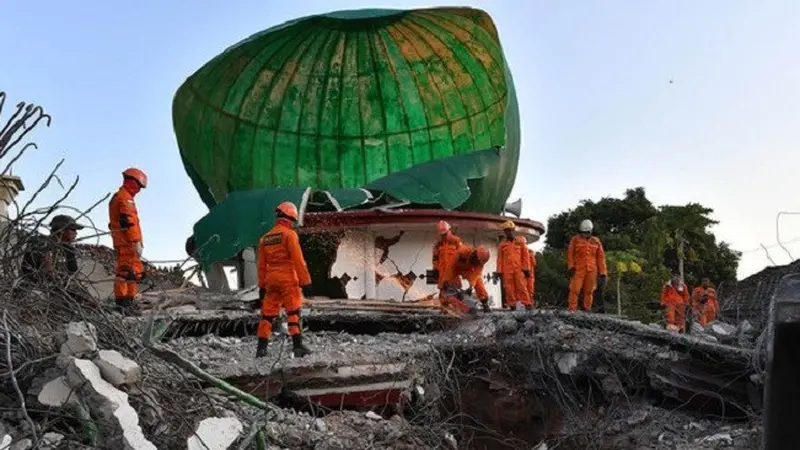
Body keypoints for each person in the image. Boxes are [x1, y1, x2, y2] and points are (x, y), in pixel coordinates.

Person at [256, 201, 313, 358]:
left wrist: (261, 286)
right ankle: (297, 346)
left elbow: (261, 265)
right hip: (288, 279)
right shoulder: (289, 235)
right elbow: (298, 260)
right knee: (293, 312)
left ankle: (261, 349)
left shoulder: (265, 239)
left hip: (271, 280)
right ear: (291, 217)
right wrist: (305, 282)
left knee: (267, 315)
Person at [108, 168, 147, 314]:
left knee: (134, 272)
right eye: (139, 186)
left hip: (124, 241)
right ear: (132, 182)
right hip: (127, 242)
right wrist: (136, 241)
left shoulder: (120, 197)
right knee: (125, 273)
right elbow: (129, 221)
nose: (139, 190)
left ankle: (129, 301)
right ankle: (122, 304)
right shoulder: (125, 198)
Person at [20, 215, 83, 286]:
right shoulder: (40, 242)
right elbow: (42, 269)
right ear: (61, 230)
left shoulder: (68, 250)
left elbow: (72, 274)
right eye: (73, 229)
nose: (76, 233)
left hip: (58, 290)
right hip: (35, 288)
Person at [566, 219, 607, 312]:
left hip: (592, 269)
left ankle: (587, 309)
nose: (584, 234)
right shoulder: (575, 240)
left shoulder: (596, 241)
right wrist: (571, 266)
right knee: (574, 289)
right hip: (578, 269)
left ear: (590, 232)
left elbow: (601, 258)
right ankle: (572, 309)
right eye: (582, 233)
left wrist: (603, 273)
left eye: (586, 233)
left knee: (589, 291)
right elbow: (570, 254)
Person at [440, 245, 492, 312]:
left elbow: (475, 275)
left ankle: (484, 302)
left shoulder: (479, 264)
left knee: (479, 283)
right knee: (447, 285)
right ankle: (444, 304)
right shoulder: (462, 251)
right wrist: (446, 280)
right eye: (477, 261)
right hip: (455, 268)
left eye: (478, 263)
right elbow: (451, 266)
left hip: (468, 270)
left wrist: (470, 287)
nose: (477, 263)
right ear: (475, 254)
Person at [495, 221, 531, 310]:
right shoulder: (502, 245)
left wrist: (526, 268)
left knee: (522, 286)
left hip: (519, 269)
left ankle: (527, 303)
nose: (509, 232)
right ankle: (512, 305)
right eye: (507, 231)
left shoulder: (521, 242)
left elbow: (525, 256)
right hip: (507, 270)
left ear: (514, 230)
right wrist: (499, 271)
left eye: (510, 230)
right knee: (508, 287)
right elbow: (499, 259)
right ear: (505, 232)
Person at [432, 220, 463, 294]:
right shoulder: (438, 244)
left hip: (453, 275)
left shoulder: (456, 241)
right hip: (442, 275)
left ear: (449, 230)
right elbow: (435, 258)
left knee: (455, 298)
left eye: (445, 234)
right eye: (442, 234)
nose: (443, 236)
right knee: (444, 298)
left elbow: (462, 255)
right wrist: (435, 270)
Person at [517, 235, 537, 307]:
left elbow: (534, 263)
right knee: (522, 289)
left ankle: (529, 304)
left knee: (530, 291)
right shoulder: (519, 253)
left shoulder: (529, 253)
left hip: (529, 275)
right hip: (523, 275)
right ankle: (525, 304)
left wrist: (531, 254)